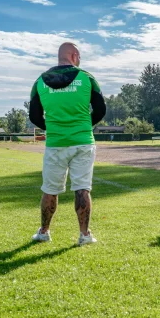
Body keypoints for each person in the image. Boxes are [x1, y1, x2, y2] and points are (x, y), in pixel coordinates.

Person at [28, 42, 106, 245]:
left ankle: (44, 232)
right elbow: (100, 109)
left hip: (55, 143)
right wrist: (85, 125)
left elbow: (34, 115)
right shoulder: (87, 78)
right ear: (75, 55)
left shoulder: (40, 82)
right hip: (83, 142)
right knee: (82, 189)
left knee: (49, 190)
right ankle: (84, 235)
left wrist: (53, 127)